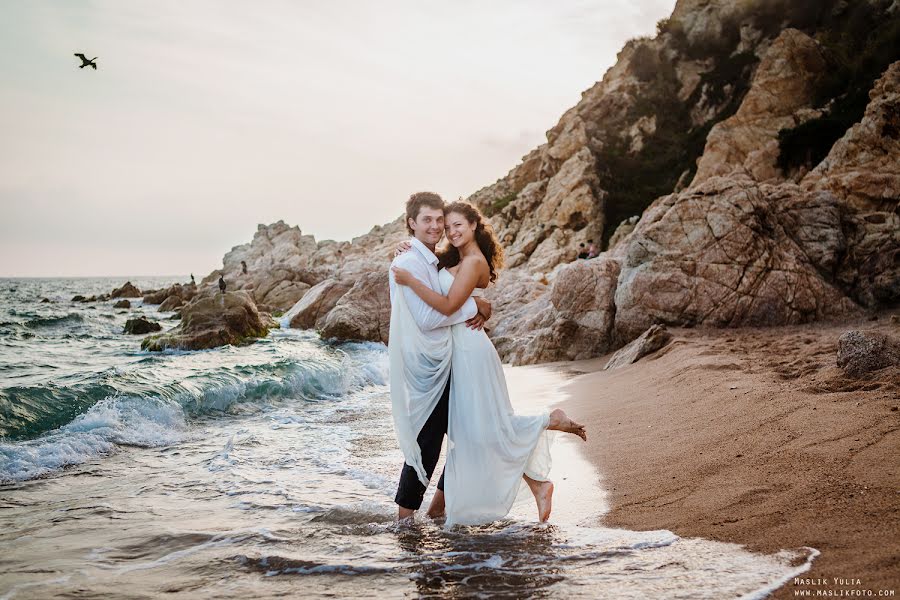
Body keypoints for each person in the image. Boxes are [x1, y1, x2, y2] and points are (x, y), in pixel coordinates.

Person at [392, 200, 586, 526]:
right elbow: (434, 272)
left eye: (456, 225)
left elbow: (446, 304)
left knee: (483, 428)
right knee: (472, 431)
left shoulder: (471, 261)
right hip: (456, 353)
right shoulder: (452, 257)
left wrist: (412, 282)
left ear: (473, 226)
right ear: (413, 222)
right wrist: (406, 249)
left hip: (469, 353)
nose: (448, 230)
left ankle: (548, 421)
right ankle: (446, 506)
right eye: (444, 224)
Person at [388, 192, 492, 523]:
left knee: (467, 436)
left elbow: (450, 294)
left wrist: (473, 301)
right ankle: (406, 520)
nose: (435, 227)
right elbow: (428, 318)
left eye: (439, 221)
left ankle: (434, 511)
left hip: (446, 361)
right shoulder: (407, 262)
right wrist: (476, 307)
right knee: (430, 442)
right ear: (411, 224)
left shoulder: (431, 258)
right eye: (427, 220)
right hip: (428, 367)